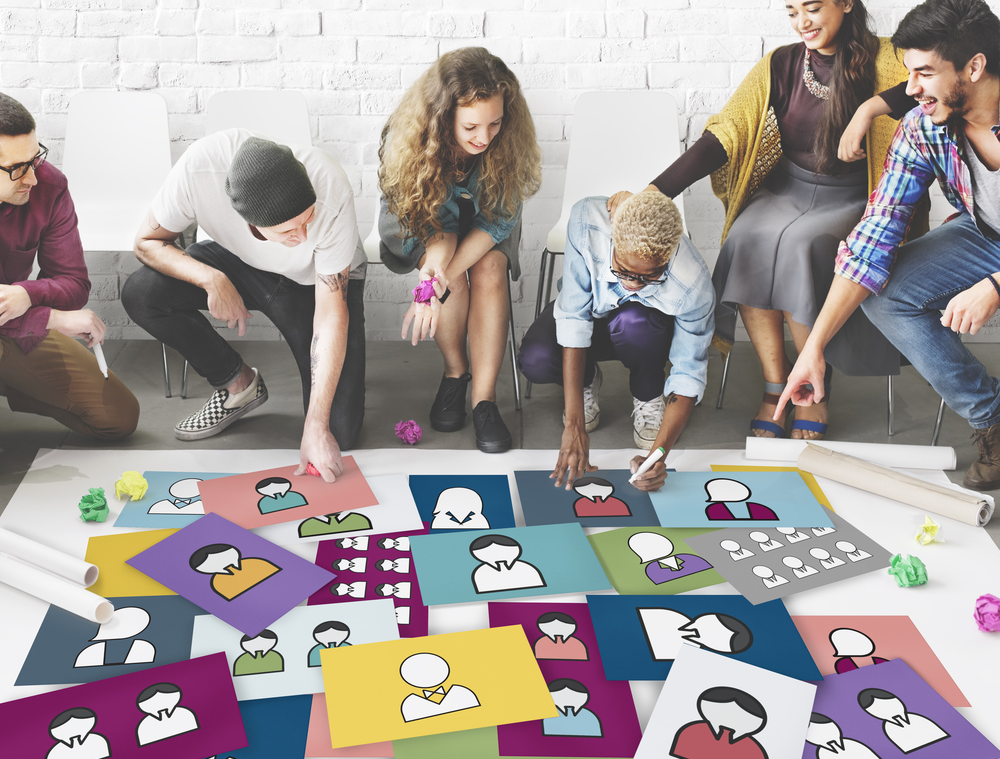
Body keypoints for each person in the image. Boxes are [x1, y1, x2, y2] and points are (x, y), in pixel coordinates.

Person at [609, 0, 925, 442]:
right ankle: (778, 384)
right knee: (745, 237)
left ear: (846, 1)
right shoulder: (781, 63)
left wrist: (870, 109)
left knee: (800, 244)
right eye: (792, 11)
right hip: (787, 188)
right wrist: (653, 194)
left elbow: (935, 82)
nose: (802, 22)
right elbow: (725, 134)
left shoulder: (893, 57)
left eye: (813, 8)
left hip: (858, 195)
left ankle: (811, 386)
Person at [777, 0, 1000, 490]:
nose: (911, 88)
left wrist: (995, 285)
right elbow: (876, 233)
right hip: (986, 233)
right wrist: (813, 349)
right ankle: (994, 419)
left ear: (974, 67)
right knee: (886, 293)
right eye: (908, 73)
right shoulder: (923, 128)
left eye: (924, 73)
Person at [122, 129, 367, 482]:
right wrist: (211, 279)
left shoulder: (330, 187)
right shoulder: (197, 170)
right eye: (288, 231)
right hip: (241, 262)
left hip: (316, 280)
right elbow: (145, 242)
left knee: (338, 431)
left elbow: (330, 314)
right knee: (142, 292)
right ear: (251, 224)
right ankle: (238, 383)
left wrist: (316, 425)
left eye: (308, 220)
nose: (302, 236)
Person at [378, 47, 542, 453]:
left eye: (495, 123)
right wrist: (438, 272)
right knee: (449, 277)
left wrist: (437, 282)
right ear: (442, 115)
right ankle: (455, 372)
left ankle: (484, 400)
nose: (484, 137)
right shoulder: (408, 141)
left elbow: (497, 222)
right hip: (424, 223)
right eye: (471, 126)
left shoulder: (508, 142)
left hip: (488, 221)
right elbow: (437, 227)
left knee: (488, 268)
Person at [518, 192, 714, 489]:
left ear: (669, 256)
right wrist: (574, 426)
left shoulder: (693, 284)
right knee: (536, 359)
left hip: (644, 334)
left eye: (649, 277)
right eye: (622, 270)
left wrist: (657, 457)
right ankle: (586, 379)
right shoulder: (586, 222)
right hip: (592, 316)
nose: (633, 284)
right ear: (613, 240)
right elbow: (573, 318)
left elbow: (688, 374)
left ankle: (648, 393)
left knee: (635, 322)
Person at [0, 93, 138, 439]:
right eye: (17, 169)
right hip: (25, 321)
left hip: (15, 325)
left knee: (118, 416)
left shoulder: (48, 186)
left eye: (35, 159)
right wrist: (52, 318)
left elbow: (74, 282)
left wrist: (26, 295)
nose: (32, 179)